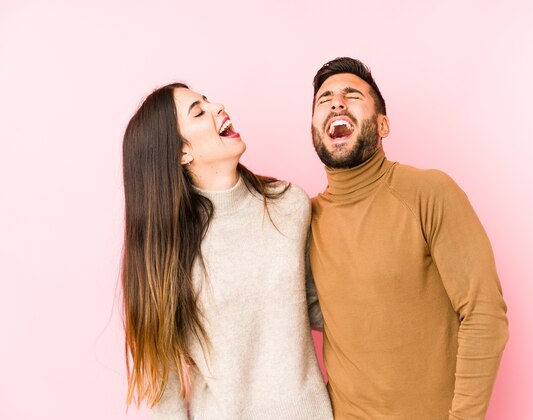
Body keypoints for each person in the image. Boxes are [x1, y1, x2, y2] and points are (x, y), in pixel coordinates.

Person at [307, 57, 509, 419]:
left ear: (383, 125)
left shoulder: (427, 192)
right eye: (325, 100)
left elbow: (484, 313)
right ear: (314, 130)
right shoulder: (303, 220)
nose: (336, 102)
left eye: (352, 95)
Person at [121, 83, 332, 420]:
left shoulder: (289, 204)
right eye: (198, 111)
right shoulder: (168, 255)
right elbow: (164, 388)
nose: (218, 106)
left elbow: (320, 306)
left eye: (208, 101)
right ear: (181, 153)